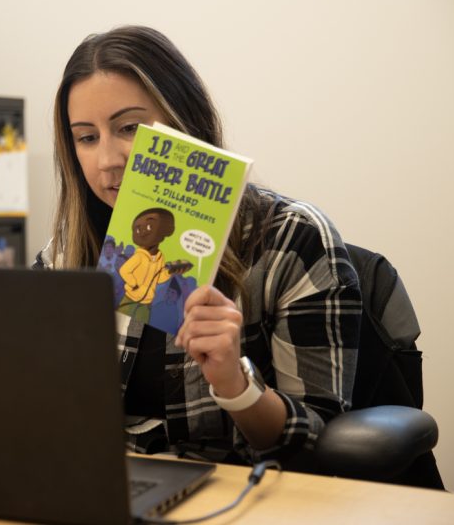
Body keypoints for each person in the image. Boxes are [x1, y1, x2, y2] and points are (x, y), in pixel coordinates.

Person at [32, 25, 361, 464]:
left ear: (185, 119)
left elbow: (318, 440)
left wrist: (234, 384)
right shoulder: (70, 250)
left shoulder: (293, 239)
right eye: (87, 137)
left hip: (236, 490)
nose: (108, 159)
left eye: (129, 127)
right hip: (106, 484)